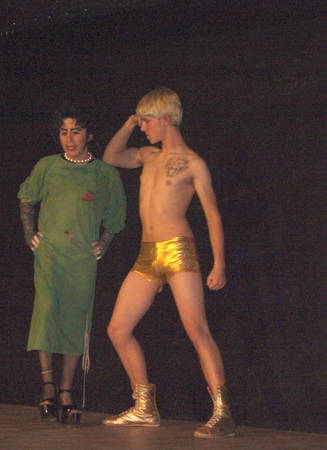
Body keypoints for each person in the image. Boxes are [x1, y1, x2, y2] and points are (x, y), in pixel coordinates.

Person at [101, 87, 235, 438]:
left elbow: (213, 215)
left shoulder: (193, 163)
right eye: (141, 122)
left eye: (147, 121)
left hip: (178, 250)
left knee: (196, 328)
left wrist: (218, 263)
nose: (143, 128)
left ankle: (222, 413)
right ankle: (144, 407)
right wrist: (129, 124)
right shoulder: (148, 155)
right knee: (118, 329)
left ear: (166, 119)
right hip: (148, 253)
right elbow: (111, 155)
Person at [18, 105, 126, 425]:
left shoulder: (104, 173)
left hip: (81, 258)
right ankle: (47, 385)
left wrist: (103, 243)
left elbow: (116, 217)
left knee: (75, 320)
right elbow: (26, 198)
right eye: (64, 132)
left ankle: (66, 390)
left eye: (75, 131)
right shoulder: (47, 166)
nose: (69, 138)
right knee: (46, 312)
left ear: (89, 135)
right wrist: (29, 234)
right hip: (50, 254)